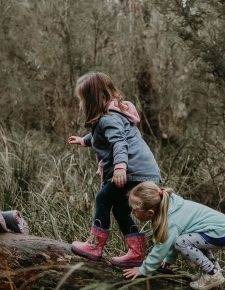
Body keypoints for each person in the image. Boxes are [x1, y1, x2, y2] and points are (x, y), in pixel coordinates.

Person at [67, 72, 162, 267]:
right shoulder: (115, 113)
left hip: (132, 171)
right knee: (120, 209)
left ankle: (94, 246)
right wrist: (84, 140)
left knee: (103, 198)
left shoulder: (107, 118)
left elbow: (119, 142)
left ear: (92, 100)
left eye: (83, 100)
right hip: (144, 170)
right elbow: (103, 138)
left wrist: (120, 168)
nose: (81, 104)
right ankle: (136, 252)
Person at [123, 182, 225, 290]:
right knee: (188, 239)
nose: (133, 213)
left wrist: (143, 270)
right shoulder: (169, 205)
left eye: (135, 210)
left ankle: (212, 273)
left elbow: (161, 249)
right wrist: (169, 260)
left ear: (150, 212)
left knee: (181, 243)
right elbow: (172, 240)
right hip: (224, 228)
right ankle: (210, 270)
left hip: (219, 233)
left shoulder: (170, 221)